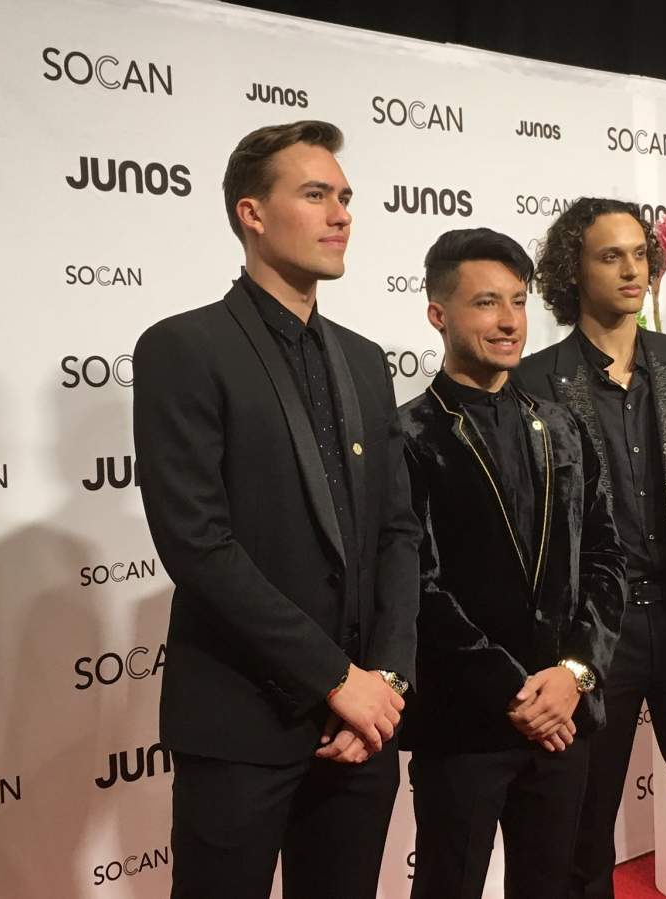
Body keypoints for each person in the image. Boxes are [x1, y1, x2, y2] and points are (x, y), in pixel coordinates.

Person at [132, 120, 420, 899]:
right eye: (316, 194)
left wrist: (383, 681)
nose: (341, 214)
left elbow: (398, 531)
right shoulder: (183, 348)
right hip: (241, 724)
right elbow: (198, 545)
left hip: (362, 728)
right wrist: (336, 678)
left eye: (346, 197)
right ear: (250, 213)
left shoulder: (364, 360)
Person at [515, 198, 666, 898]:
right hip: (596, 640)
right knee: (582, 832)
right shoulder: (536, 381)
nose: (632, 268)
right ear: (573, 269)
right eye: (609, 255)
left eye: (639, 253)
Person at [399, 227, 626, 899]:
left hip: (563, 719)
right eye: (486, 302)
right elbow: (418, 585)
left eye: (519, 302)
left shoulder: (561, 426)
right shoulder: (408, 435)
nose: (507, 321)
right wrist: (516, 691)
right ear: (439, 313)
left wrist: (573, 675)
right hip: (464, 728)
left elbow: (607, 557)